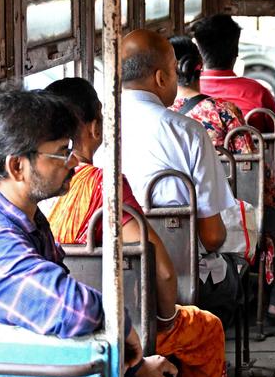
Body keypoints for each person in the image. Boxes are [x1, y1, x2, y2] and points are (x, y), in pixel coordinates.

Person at [0, 90, 169, 377]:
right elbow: (72, 309)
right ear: (17, 167)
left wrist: (132, 363)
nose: (71, 162)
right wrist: (122, 326)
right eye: (60, 153)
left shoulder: (22, 216)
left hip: (22, 367)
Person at [45, 77, 230, 377]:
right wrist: (167, 320)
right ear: (95, 127)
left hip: (55, 325)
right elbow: (163, 271)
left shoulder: (33, 194)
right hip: (121, 324)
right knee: (208, 327)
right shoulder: (107, 187)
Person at [170, 35, 275, 326]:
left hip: (172, 214)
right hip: (228, 210)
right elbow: (252, 173)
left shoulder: (158, 118)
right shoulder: (223, 112)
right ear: (198, 66)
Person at [101, 29, 240, 320]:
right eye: (174, 73)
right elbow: (212, 237)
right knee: (231, 276)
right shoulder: (188, 133)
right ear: (161, 78)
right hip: (184, 279)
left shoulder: (97, 130)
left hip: (110, 279)